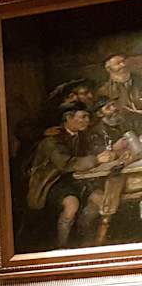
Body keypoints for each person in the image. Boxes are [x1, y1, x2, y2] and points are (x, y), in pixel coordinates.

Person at [26, 106, 115, 247]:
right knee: (72, 204)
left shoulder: (82, 136)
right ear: (68, 117)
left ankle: (85, 239)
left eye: (88, 117)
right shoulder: (52, 141)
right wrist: (97, 159)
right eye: (83, 117)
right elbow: (66, 164)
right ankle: (63, 245)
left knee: (100, 199)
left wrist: (112, 152)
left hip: (77, 179)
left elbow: (95, 152)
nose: (87, 120)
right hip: (53, 182)